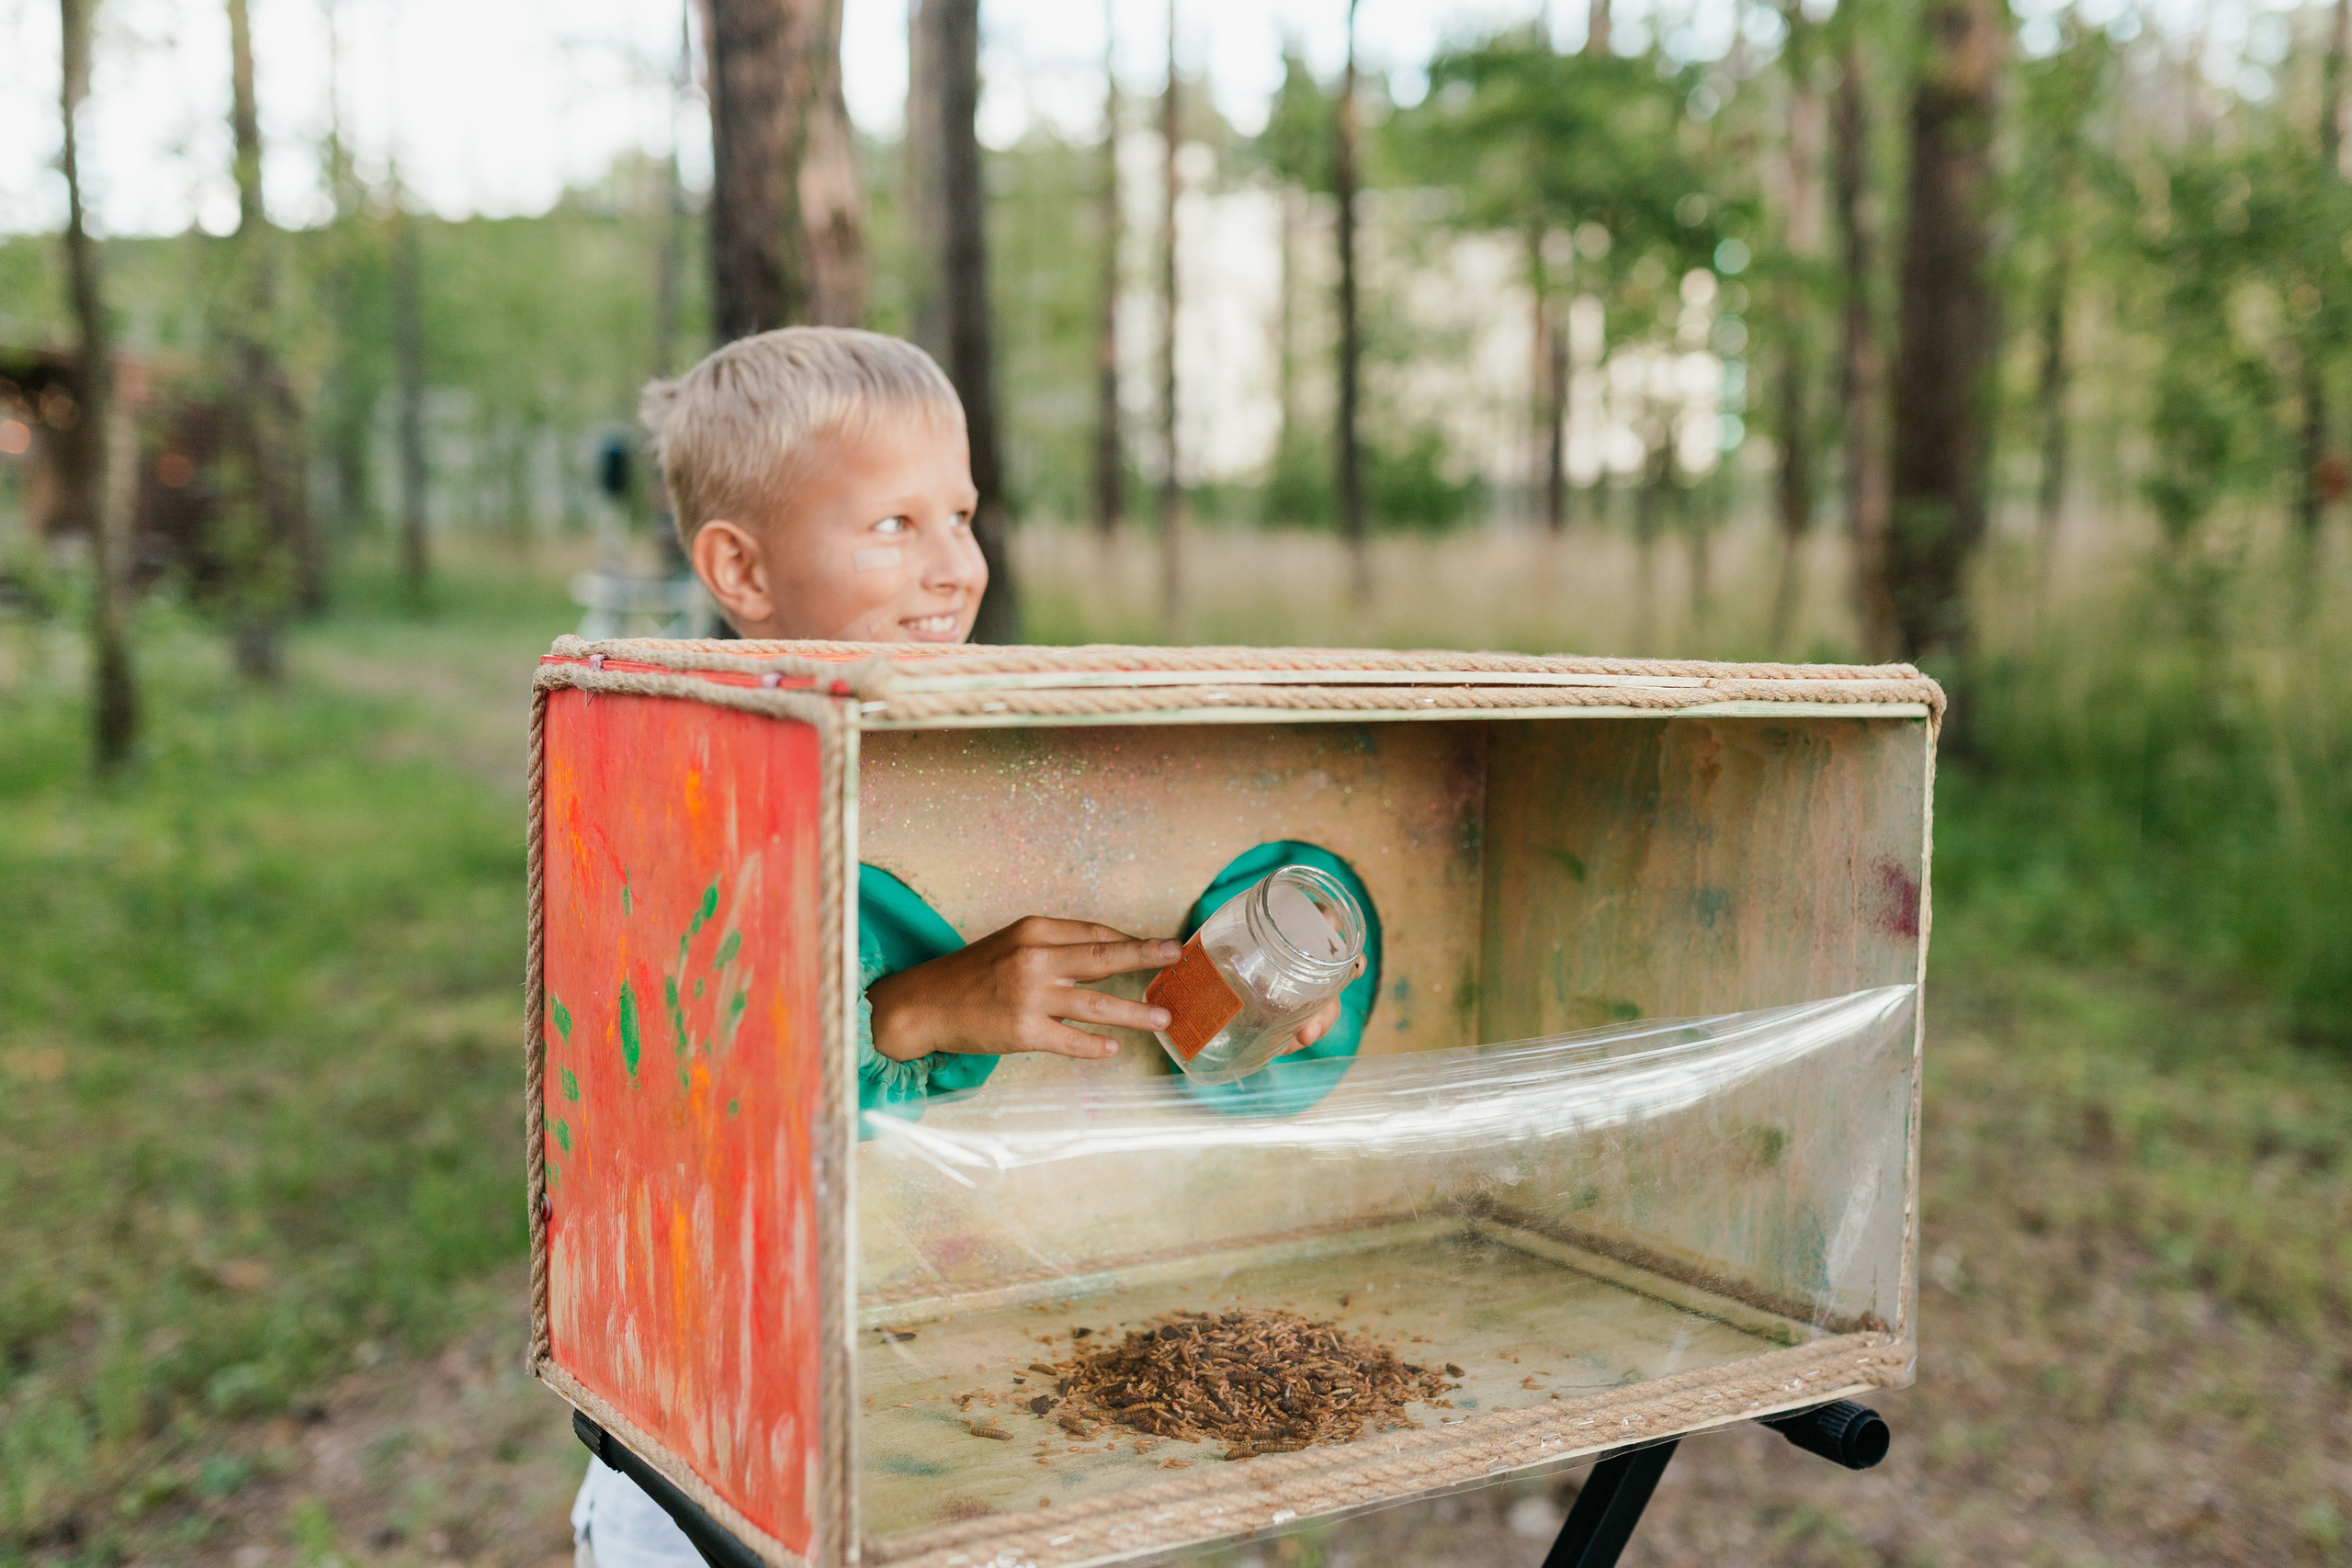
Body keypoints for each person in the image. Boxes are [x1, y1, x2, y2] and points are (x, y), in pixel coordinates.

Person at [571, 328, 1369, 1567]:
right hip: (717, 1453)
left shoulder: (1021, 752)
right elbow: (683, 1105)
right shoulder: (661, 780)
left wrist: (1265, 1006)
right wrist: (913, 1013)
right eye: (893, 525)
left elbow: (1180, 954)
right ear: (741, 566)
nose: (954, 567)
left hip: (970, 1386)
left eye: (963, 514)